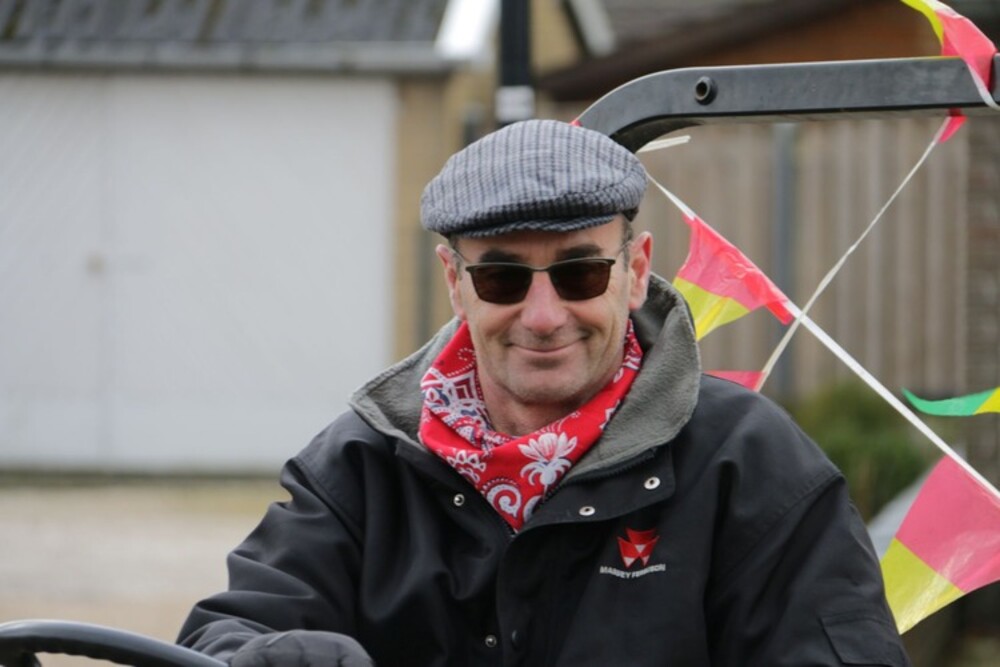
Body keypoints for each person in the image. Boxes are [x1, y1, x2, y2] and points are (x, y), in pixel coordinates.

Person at [178, 119, 911, 666]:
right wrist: (269, 656)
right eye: (501, 277)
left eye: (579, 272)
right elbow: (226, 632)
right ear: (455, 283)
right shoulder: (363, 463)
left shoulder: (753, 466)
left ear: (635, 271)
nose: (543, 315)